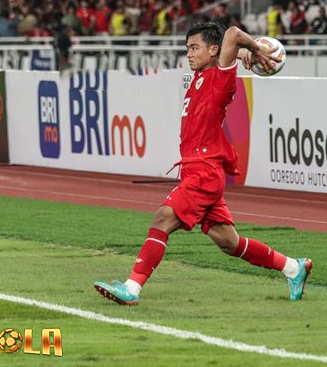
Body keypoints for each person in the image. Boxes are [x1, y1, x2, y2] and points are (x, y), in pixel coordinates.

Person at [94, 22, 313, 306]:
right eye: (187, 48)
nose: (189, 53)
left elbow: (232, 33)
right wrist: (243, 52)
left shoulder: (219, 79)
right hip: (196, 169)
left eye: (195, 47)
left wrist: (254, 48)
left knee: (163, 218)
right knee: (228, 241)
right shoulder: (200, 76)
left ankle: (132, 288)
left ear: (213, 50)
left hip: (204, 171)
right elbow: (231, 45)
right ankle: (293, 268)